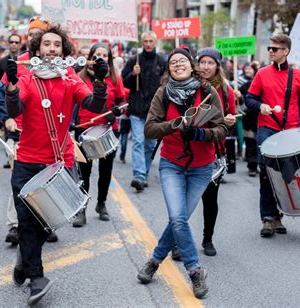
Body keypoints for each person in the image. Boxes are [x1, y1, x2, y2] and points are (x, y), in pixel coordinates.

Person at [4, 24, 108, 305]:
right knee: (27, 221)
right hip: (27, 161)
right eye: (46, 44)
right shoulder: (26, 76)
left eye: (57, 45)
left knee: (46, 223)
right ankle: (36, 278)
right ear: (37, 49)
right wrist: (12, 87)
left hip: (60, 163)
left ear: (63, 50)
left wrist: (100, 83)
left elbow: (94, 105)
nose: (52, 48)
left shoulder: (70, 76)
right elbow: (15, 109)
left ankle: (22, 260)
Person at [137, 48, 227, 299]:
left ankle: (154, 262)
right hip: (172, 165)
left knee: (179, 220)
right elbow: (149, 129)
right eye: (173, 62)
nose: (178, 64)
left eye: (182, 61)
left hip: (202, 167)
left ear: (191, 65)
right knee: (178, 218)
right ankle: (195, 270)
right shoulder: (162, 93)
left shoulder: (207, 91)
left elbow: (221, 129)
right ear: (169, 69)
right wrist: (173, 125)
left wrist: (202, 134)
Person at [245, 33, 300, 237]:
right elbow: (250, 99)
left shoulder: (298, 76)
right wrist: (261, 106)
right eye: (269, 48)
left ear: (286, 51)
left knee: (286, 175)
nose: (271, 52)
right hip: (267, 128)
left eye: (275, 49)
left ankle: (277, 217)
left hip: (291, 131)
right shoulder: (262, 73)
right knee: (266, 173)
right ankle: (266, 218)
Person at [0, 16, 51, 245]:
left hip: (48, 135)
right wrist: (7, 118)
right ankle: (15, 225)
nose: (34, 39)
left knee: (45, 183)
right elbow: (1, 94)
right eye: (31, 35)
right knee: (18, 180)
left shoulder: (57, 64)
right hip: (19, 132)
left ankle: (45, 222)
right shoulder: (16, 63)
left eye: (39, 36)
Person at [73, 42, 126, 226]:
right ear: (90, 58)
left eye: (104, 55)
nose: (100, 58)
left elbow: (121, 100)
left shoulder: (114, 77)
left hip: (107, 128)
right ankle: (82, 208)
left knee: (105, 171)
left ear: (109, 59)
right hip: (84, 128)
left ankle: (101, 204)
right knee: (84, 172)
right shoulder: (79, 77)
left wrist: (118, 109)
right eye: (97, 55)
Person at [195, 47, 237, 257]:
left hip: (213, 152)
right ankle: (177, 241)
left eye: (210, 63)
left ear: (217, 66)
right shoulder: (189, 85)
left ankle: (207, 238)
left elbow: (232, 116)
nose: (206, 66)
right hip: (189, 150)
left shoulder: (226, 90)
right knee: (184, 201)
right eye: (202, 62)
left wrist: (229, 120)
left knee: (210, 200)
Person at [121, 31, 166, 191]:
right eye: (145, 41)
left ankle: (144, 174)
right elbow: (124, 82)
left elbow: (168, 83)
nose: (148, 44)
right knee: (138, 141)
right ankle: (139, 175)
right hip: (136, 109)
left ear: (155, 42)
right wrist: (133, 75)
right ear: (142, 42)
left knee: (150, 144)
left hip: (154, 111)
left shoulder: (162, 61)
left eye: (151, 41)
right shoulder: (134, 60)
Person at [236, 62, 259, 176]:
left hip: (260, 118)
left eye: (250, 69)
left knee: (258, 143)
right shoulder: (243, 86)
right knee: (250, 143)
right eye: (246, 69)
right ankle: (252, 166)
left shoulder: (261, 84)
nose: (248, 71)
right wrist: (238, 97)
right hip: (248, 119)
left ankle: (257, 164)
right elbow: (238, 104)